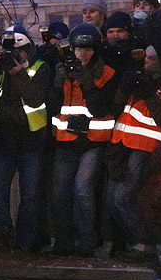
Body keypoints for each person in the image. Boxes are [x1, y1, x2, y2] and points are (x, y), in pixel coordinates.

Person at [107, 26, 161, 261]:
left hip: (144, 149)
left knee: (123, 198)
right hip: (121, 145)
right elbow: (117, 108)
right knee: (112, 201)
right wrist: (125, 86)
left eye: (152, 59)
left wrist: (149, 94)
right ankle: (137, 243)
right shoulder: (142, 77)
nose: (146, 62)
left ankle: (145, 243)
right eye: (146, 57)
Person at [50, 23, 119, 255]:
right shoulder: (64, 70)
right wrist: (58, 83)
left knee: (83, 191)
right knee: (60, 193)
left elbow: (101, 109)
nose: (82, 54)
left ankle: (87, 243)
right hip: (65, 140)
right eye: (78, 49)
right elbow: (51, 106)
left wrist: (88, 82)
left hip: (94, 141)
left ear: (95, 50)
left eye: (87, 49)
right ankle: (63, 242)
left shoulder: (107, 72)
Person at [0, 25, 50, 250]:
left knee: (29, 196)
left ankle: (26, 242)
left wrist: (17, 73)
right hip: (2, 138)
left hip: (30, 140)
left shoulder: (40, 68)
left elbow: (35, 99)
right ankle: (2, 236)